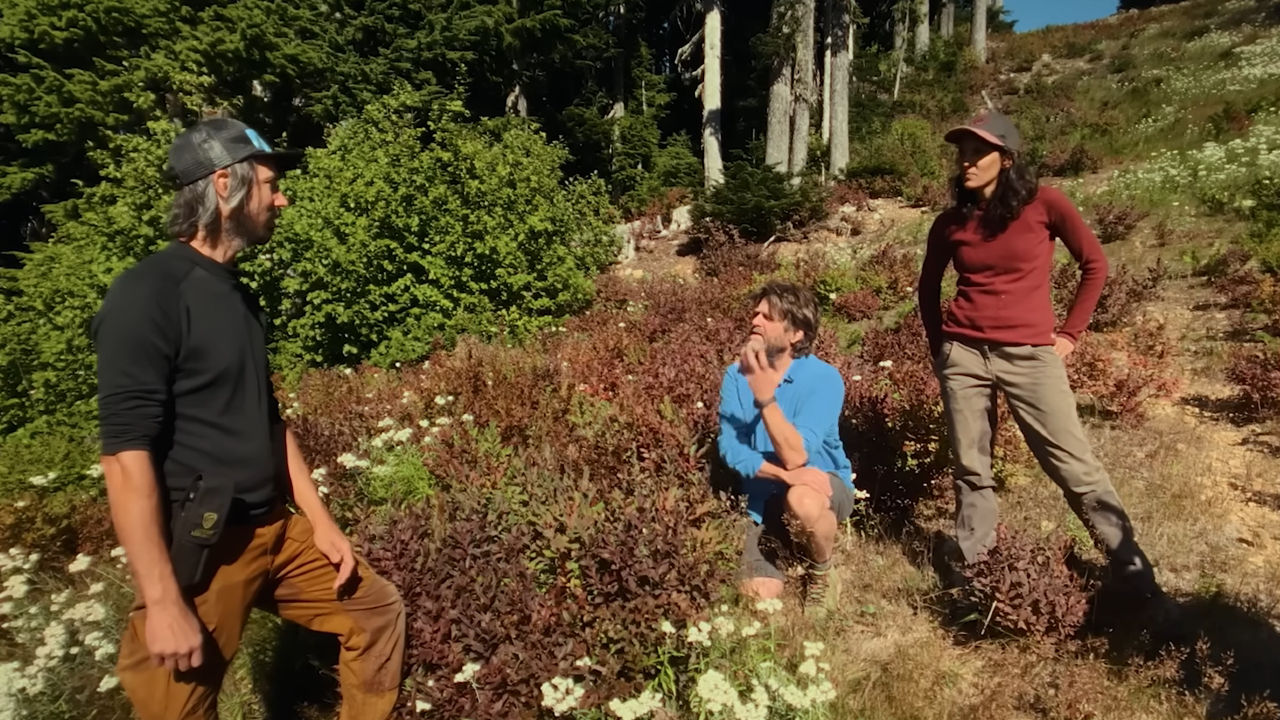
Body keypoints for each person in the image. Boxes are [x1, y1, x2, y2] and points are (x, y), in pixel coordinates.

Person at [91, 117, 405, 720]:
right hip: (205, 549)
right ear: (225, 187)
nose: (282, 197)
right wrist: (162, 601)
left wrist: (321, 522)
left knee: (376, 610)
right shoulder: (148, 294)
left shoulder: (236, 292)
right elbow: (124, 457)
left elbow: (267, 419)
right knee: (173, 709)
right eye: (271, 184)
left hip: (277, 533)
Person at [916, 110, 1171, 613]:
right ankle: (974, 575)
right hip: (964, 354)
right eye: (961, 153)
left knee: (1075, 466)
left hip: (1031, 356)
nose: (966, 162)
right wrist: (940, 348)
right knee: (972, 467)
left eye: (977, 153)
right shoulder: (951, 222)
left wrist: (1070, 334)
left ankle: (1134, 576)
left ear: (1006, 159)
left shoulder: (1045, 204)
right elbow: (928, 287)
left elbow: (1095, 265)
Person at [717, 280, 856, 611]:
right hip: (761, 495)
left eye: (768, 317)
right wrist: (783, 475)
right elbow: (730, 447)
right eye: (755, 313)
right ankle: (786, 548)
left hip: (819, 483)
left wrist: (765, 397)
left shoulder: (824, 379)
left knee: (803, 500)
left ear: (797, 334)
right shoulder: (736, 376)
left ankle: (822, 569)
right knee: (758, 597)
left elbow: (798, 456)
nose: (755, 321)